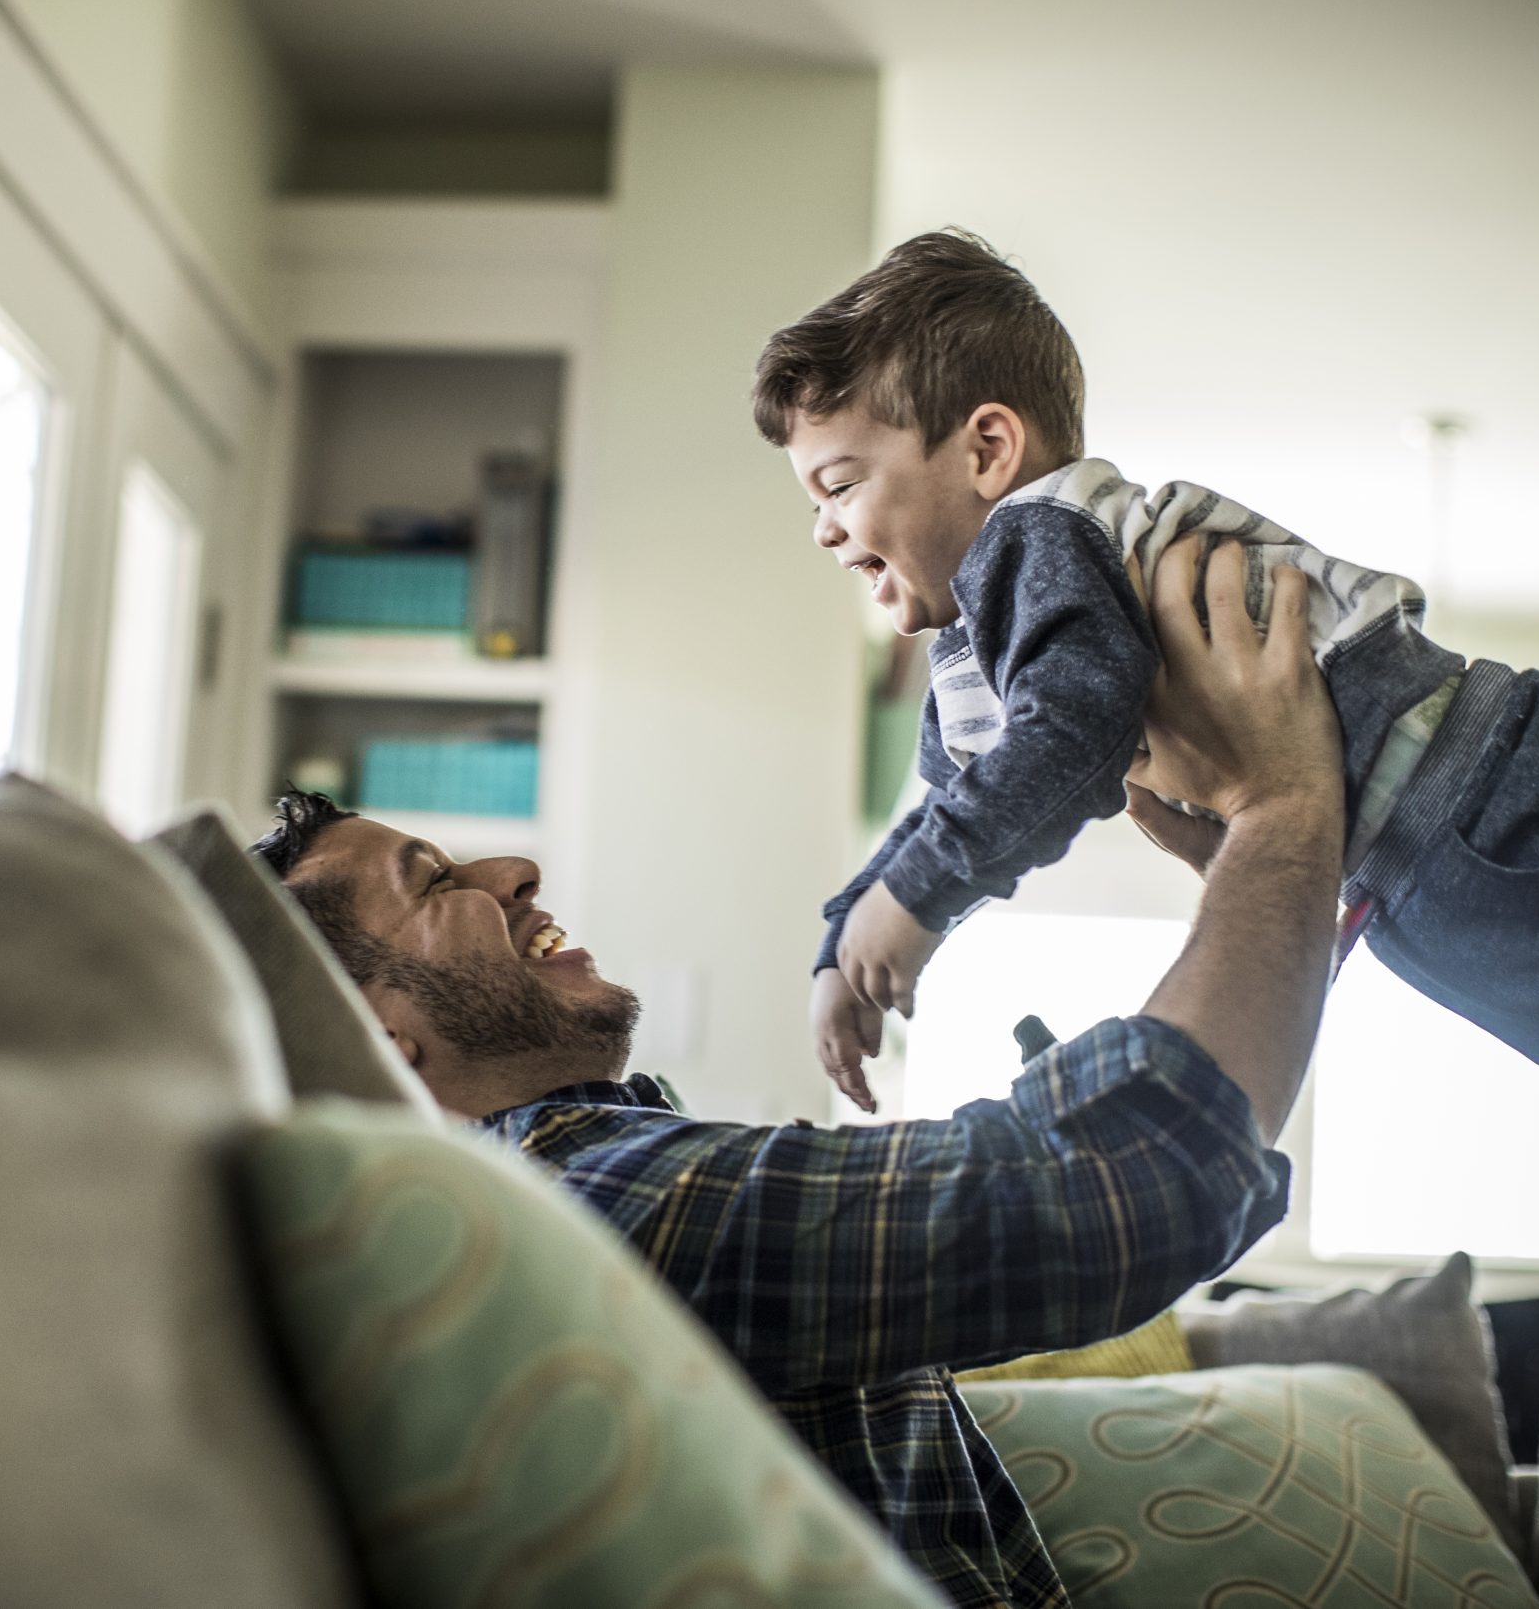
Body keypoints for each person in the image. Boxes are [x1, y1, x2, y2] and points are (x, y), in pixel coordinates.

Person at [255, 539, 1345, 1609]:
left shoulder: (591, 1189)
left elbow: (1138, 1172)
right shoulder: (592, 1203)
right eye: (436, 881)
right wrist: (1286, 806)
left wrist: (1271, 888)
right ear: (376, 1045)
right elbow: (1127, 1185)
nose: (514, 871)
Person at [759, 228, 1539, 1209]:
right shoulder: (975, 636)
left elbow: (1070, 740)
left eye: (842, 484)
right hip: (1414, 870)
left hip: (1483, 796)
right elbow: (955, 802)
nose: (822, 528)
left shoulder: (1038, 541)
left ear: (987, 451)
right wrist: (845, 936)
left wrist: (911, 902)